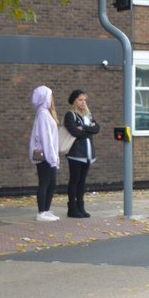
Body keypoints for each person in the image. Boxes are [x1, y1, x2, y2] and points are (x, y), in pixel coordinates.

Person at [63, 89, 100, 218]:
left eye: (85, 100)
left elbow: (97, 128)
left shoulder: (87, 115)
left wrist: (84, 128)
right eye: (80, 100)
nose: (83, 102)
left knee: (82, 181)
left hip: (87, 153)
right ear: (74, 101)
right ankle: (72, 208)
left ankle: (81, 207)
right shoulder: (70, 115)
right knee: (75, 180)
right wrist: (88, 131)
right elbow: (74, 132)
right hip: (75, 153)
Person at [29, 86, 60, 222]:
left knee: (51, 183)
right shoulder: (43, 114)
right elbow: (45, 137)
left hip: (49, 154)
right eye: (50, 96)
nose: (52, 99)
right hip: (45, 155)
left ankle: (46, 210)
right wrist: (52, 157)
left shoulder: (45, 113)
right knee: (45, 182)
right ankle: (41, 212)